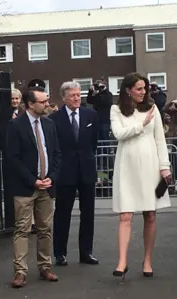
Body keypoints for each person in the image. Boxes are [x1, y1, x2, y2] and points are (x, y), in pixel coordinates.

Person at [109, 72, 172, 279]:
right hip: (127, 166)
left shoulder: (153, 109)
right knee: (125, 215)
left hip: (150, 165)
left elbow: (160, 140)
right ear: (128, 90)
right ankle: (122, 261)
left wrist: (165, 166)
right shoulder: (116, 109)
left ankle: (147, 260)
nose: (143, 92)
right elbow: (119, 134)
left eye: (145, 88)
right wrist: (141, 124)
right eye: (139, 88)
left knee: (150, 215)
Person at [5, 86, 61, 288]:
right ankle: (20, 271)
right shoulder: (16, 126)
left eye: (47, 101)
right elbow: (13, 158)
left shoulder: (49, 124)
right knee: (22, 229)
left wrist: (51, 177)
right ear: (30, 104)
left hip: (47, 185)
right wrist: (32, 180)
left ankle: (45, 266)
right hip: (25, 187)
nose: (47, 104)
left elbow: (56, 154)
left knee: (45, 228)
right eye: (43, 102)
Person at [50, 81, 99, 266]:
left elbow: (93, 142)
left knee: (88, 214)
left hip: (86, 170)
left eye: (78, 95)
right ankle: (60, 253)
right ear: (64, 97)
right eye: (72, 95)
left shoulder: (90, 115)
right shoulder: (54, 119)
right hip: (65, 172)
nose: (77, 98)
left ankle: (86, 252)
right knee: (63, 213)